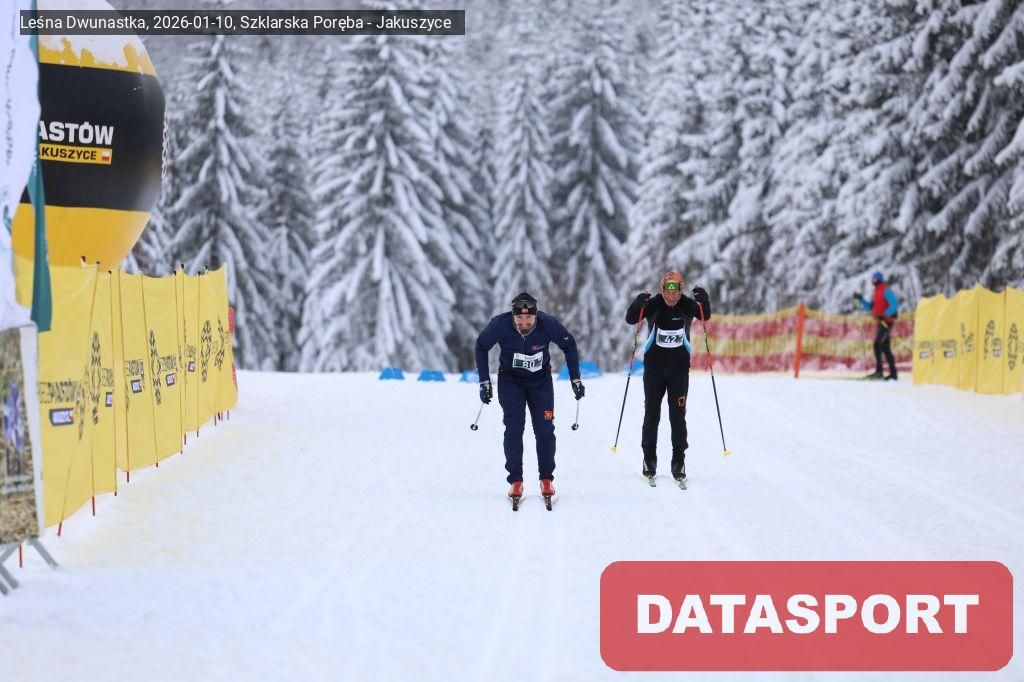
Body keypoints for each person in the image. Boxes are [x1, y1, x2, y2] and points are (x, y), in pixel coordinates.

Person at [475, 292, 584, 502]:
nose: (524, 322)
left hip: (540, 382)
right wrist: (484, 382)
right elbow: (481, 346)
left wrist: (575, 379)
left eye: (529, 318)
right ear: (513, 316)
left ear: (536, 316)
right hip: (511, 381)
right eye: (519, 318)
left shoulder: (548, 324)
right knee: (514, 429)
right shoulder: (500, 324)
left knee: (545, 429)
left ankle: (546, 479)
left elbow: (569, 345)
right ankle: (515, 481)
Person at [625, 272, 710, 486]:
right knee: (652, 414)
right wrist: (637, 303)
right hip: (654, 369)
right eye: (667, 292)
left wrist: (704, 299)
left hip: (678, 370)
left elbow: (705, 315)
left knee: (677, 416)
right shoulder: (654, 304)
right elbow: (631, 319)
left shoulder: (687, 305)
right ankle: (649, 459)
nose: (671, 297)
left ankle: (678, 462)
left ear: (681, 290)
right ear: (662, 290)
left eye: (675, 292)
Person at [854, 272, 899, 380]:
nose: (873, 281)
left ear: (879, 279)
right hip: (880, 322)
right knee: (885, 347)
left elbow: (894, 304)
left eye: (875, 279)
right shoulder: (876, 291)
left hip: (886, 321)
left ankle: (879, 372)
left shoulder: (885, 289)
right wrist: (861, 300)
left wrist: (885, 315)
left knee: (877, 345)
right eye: (872, 279)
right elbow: (870, 307)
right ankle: (893, 374)